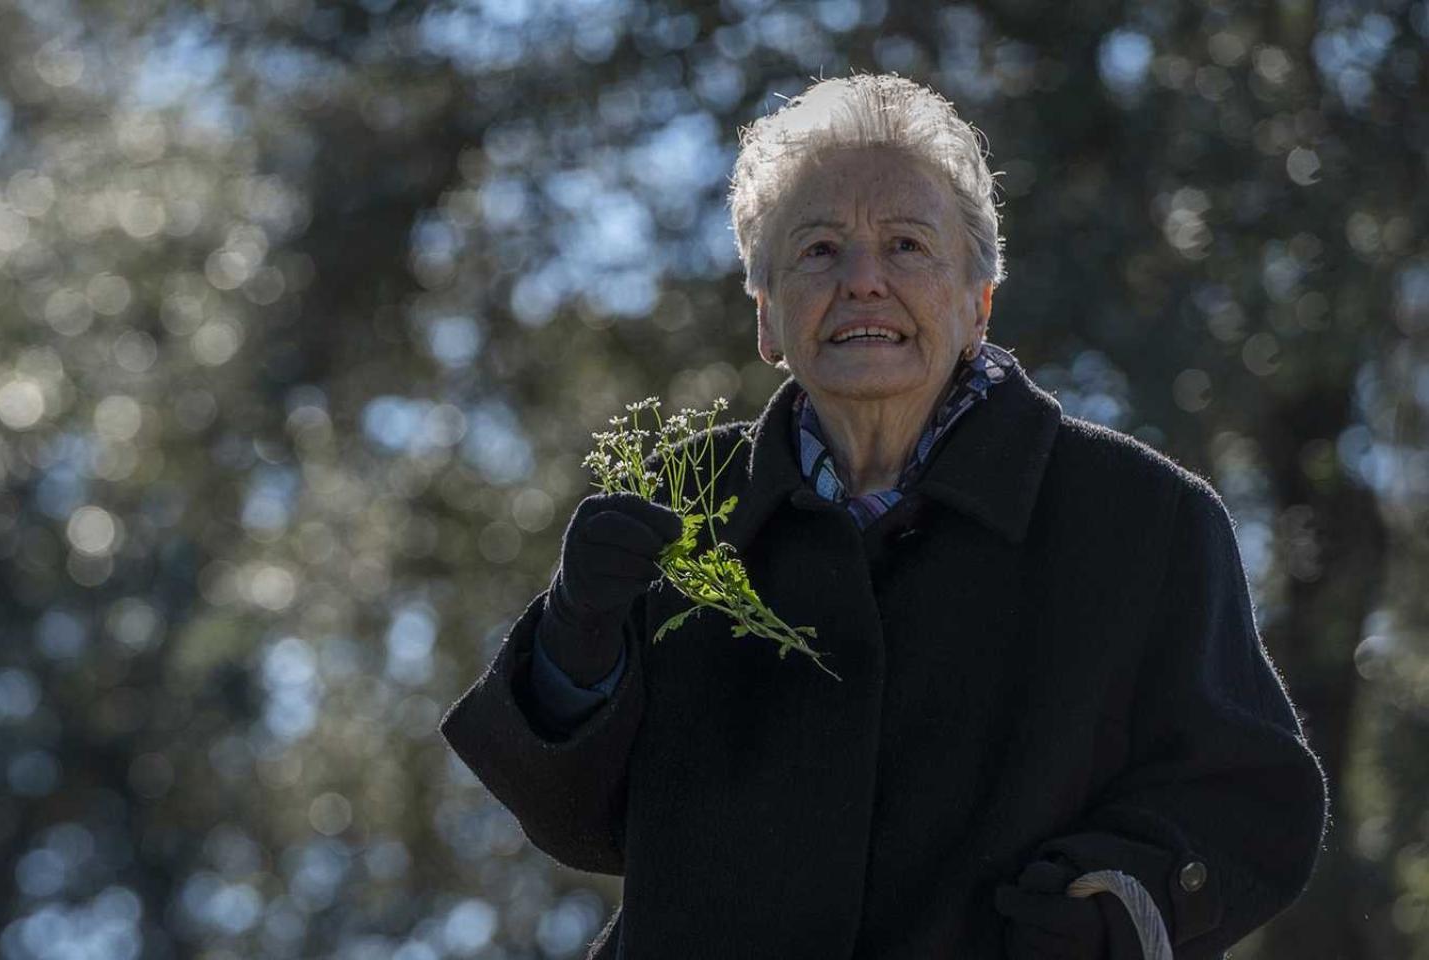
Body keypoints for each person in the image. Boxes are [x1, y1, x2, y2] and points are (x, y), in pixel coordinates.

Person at [440, 73, 1326, 959]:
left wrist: (1125, 902)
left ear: (978, 301)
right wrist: (576, 647)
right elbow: (574, 824)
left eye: (906, 245)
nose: (862, 281)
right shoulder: (682, 507)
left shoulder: (1144, 521)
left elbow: (1252, 801)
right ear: (767, 317)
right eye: (818, 250)